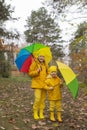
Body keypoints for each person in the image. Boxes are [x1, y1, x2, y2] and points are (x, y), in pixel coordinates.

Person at [28, 52, 48, 120]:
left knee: (43, 100)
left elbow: (48, 73)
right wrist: (37, 71)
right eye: (40, 56)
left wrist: (49, 77)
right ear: (38, 57)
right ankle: (35, 112)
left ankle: (41, 112)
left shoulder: (46, 64)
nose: (41, 57)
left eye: (43, 56)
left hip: (44, 85)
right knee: (37, 99)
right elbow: (30, 73)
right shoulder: (34, 63)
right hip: (37, 84)